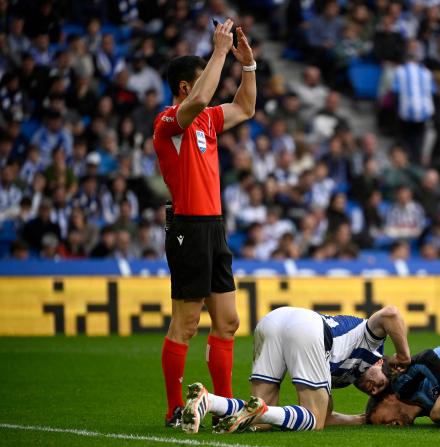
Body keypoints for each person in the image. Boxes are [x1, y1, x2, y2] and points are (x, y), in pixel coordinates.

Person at [152, 19, 257, 428]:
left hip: (213, 225)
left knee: (228, 322)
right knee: (188, 322)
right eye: (202, 83)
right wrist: (218, 52)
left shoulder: (209, 121)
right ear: (184, 88)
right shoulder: (168, 123)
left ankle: (225, 410)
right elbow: (200, 100)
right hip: (187, 228)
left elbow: (246, 107)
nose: (210, 90)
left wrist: (247, 66)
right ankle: (175, 409)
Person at [181, 305, 412, 434]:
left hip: (274, 320)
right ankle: (248, 408)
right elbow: (391, 313)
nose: (372, 388)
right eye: (379, 383)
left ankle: (208, 401)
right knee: (313, 421)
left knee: (261, 419)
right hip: (309, 327)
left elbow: (327, 414)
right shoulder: (374, 347)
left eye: (372, 392)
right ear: (381, 364)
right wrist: (404, 354)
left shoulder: (344, 377)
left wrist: (358, 419)